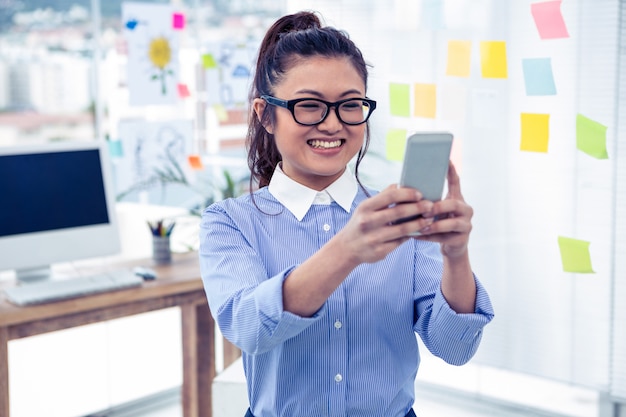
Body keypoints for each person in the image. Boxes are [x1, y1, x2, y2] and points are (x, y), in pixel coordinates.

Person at [199, 10, 494, 417]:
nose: (332, 124)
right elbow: (248, 328)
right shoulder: (230, 221)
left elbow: (455, 347)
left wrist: (456, 255)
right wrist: (348, 250)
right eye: (309, 105)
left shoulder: (399, 218)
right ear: (265, 115)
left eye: (349, 105)